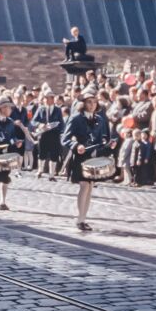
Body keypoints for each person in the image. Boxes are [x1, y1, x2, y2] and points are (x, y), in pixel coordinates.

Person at [62, 88, 114, 231]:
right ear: (83, 103)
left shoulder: (100, 119)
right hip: (80, 156)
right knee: (84, 186)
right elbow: (65, 138)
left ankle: (84, 218)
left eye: (94, 102)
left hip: (93, 157)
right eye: (89, 102)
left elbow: (104, 139)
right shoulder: (76, 118)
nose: (92, 105)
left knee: (90, 187)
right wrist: (76, 145)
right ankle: (80, 219)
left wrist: (109, 146)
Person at [34, 90, 63, 181]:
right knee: (42, 153)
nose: (45, 100)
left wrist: (56, 127)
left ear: (52, 99)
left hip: (54, 135)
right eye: (44, 98)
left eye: (48, 98)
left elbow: (61, 123)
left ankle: (51, 175)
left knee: (54, 154)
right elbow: (33, 121)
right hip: (43, 134)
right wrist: (40, 125)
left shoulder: (58, 110)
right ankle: (40, 171)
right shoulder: (41, 109)